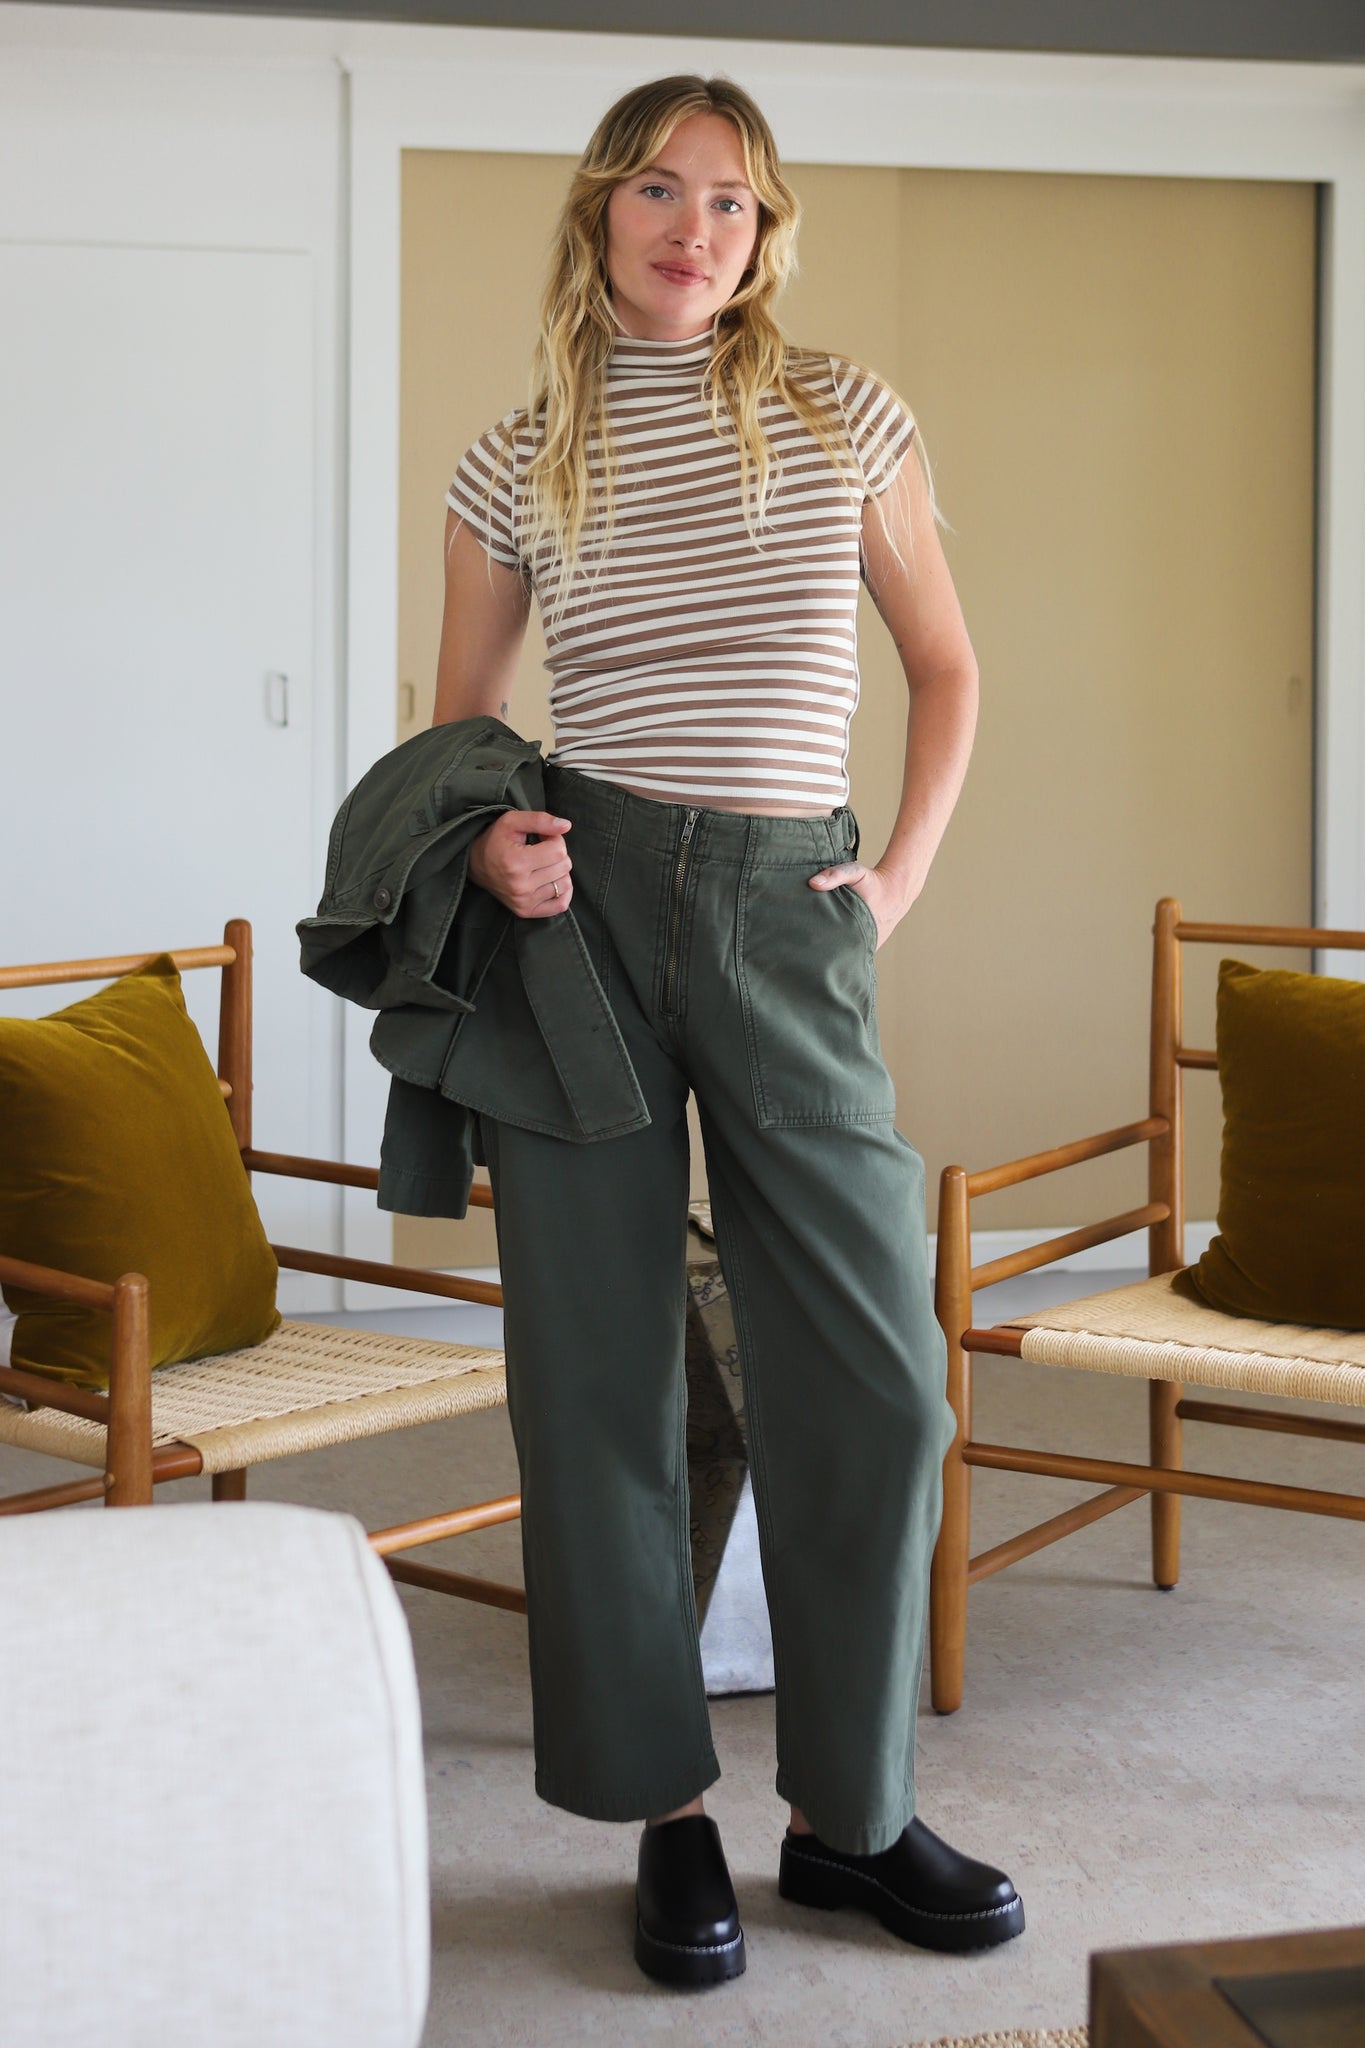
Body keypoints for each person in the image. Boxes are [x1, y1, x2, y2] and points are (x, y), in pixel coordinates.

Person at [434, 73, 1022, 1989]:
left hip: (786, 908)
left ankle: (848, 1819)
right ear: (600, 210)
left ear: (766, 236)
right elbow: (461, 729)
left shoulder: (842, 413)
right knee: (599, 1382)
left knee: (882, 1378)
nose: (697, 230)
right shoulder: (516, 455)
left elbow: (945, 667)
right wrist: (493, 839)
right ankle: (663, 1813)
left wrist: (897, 879)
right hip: (579, 918)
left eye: (735, 203)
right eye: (663, 192)